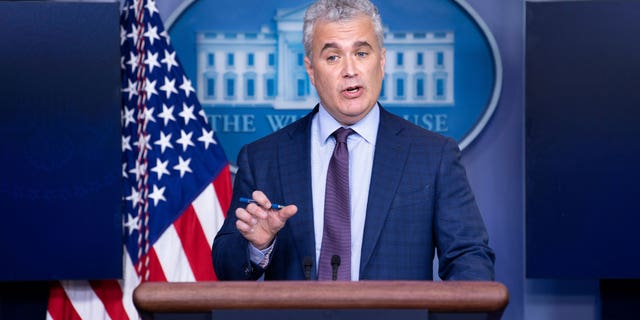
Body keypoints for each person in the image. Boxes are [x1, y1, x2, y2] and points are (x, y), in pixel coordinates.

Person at [212, 0, 495, 281]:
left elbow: (469, 258)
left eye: (361, 53)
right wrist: (257, 246)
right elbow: (227, 268)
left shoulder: (433, 155)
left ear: (381, 62)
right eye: (333, 57)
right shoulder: (263, 158)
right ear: (311, 70)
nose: (350, 69)